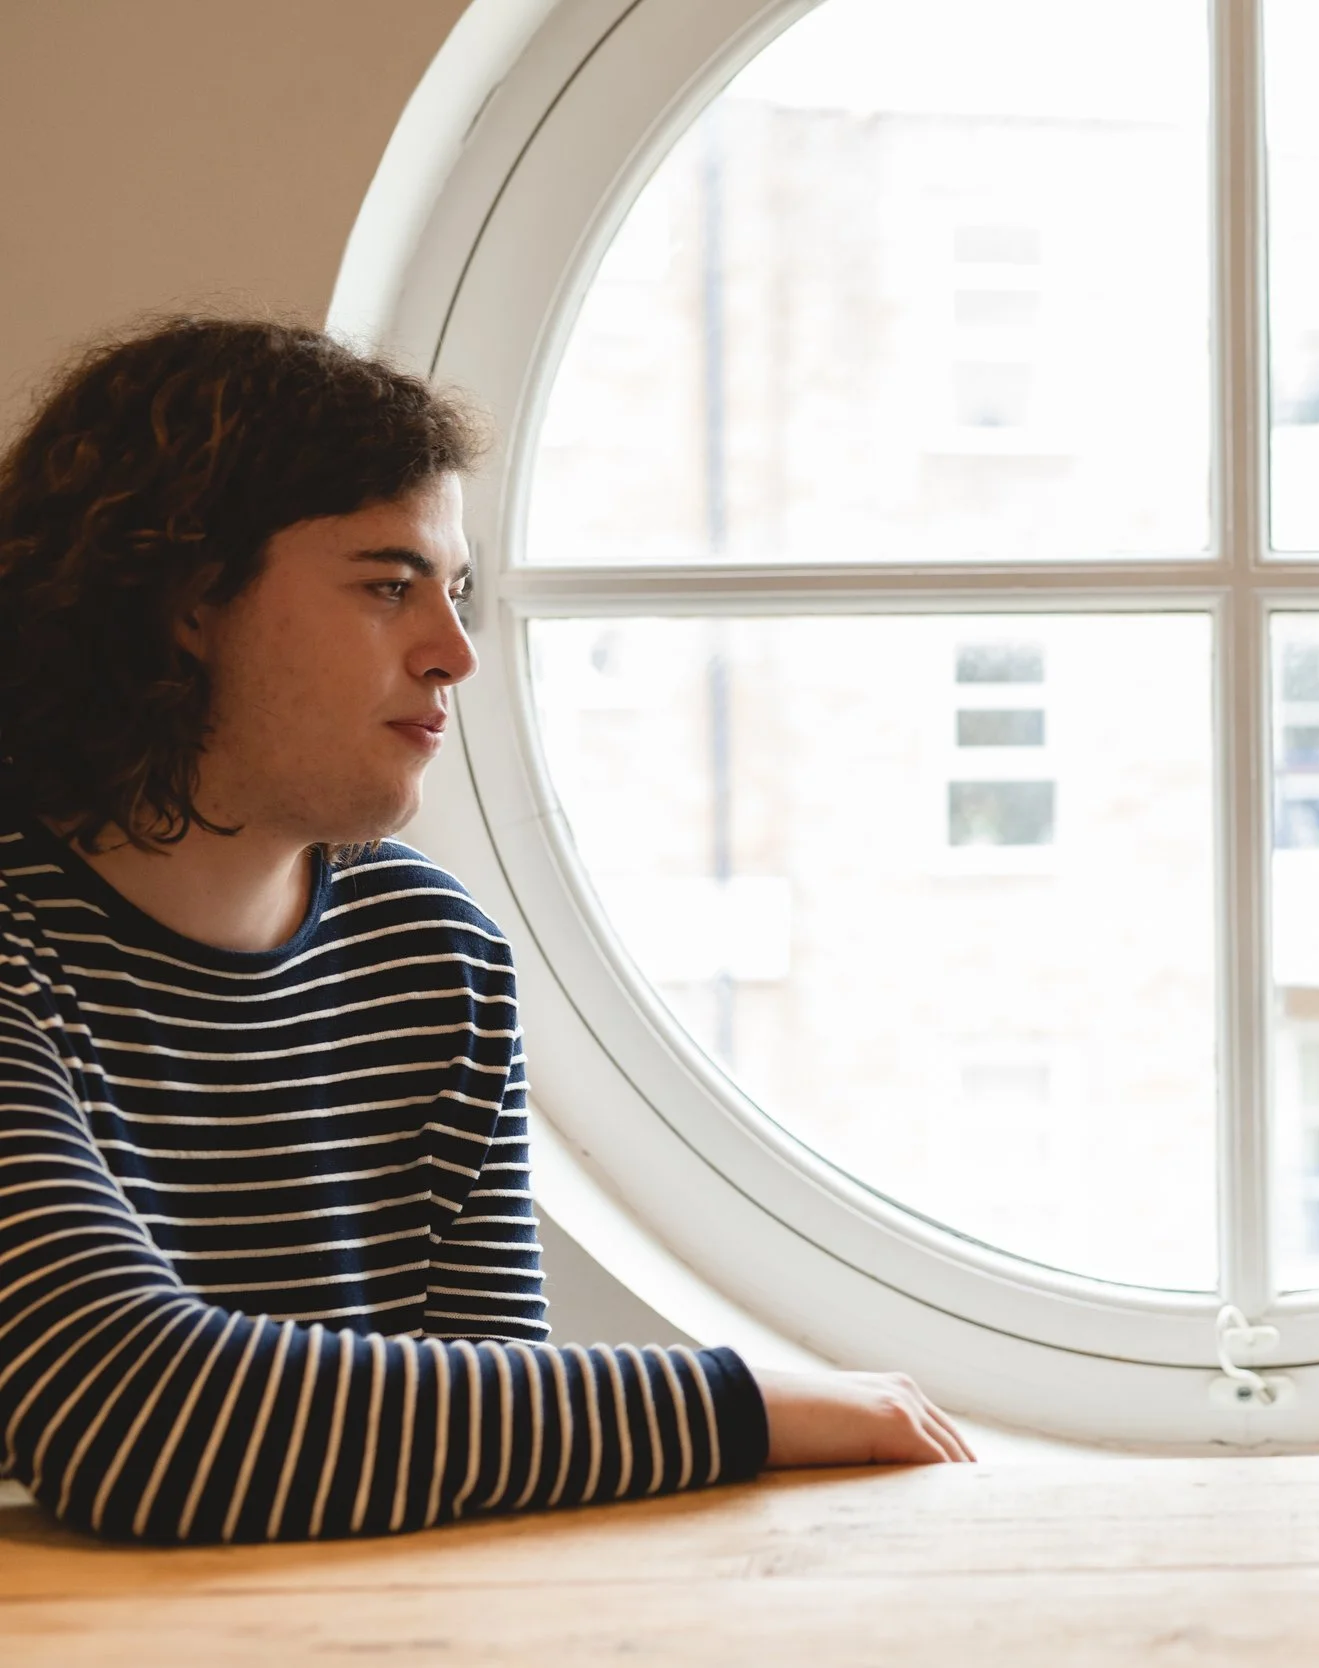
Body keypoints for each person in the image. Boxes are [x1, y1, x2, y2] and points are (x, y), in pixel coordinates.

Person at [0, 318, 972, 1545]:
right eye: (387, 586)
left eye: (452, 593)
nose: (453, 654)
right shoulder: (16, 948)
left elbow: (489, 1444)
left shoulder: (430, 954)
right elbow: (135, 1421)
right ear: (192, 602)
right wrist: (744, 1404)